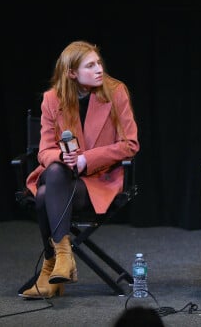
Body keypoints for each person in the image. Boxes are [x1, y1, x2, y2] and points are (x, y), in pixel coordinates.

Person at [19, 41, 139, 299]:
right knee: (53, 172)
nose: (99, 70)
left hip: (97, 181)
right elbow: (43, 152)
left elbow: (130, 144)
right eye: (90, 66)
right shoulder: (52, 99)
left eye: (99, 63)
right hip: (62, 178)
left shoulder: (116, 92)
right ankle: (62, 259)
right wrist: (63, 156)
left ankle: (52, 267)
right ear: (72, 73)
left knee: (43, 196)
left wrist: (87, 160)